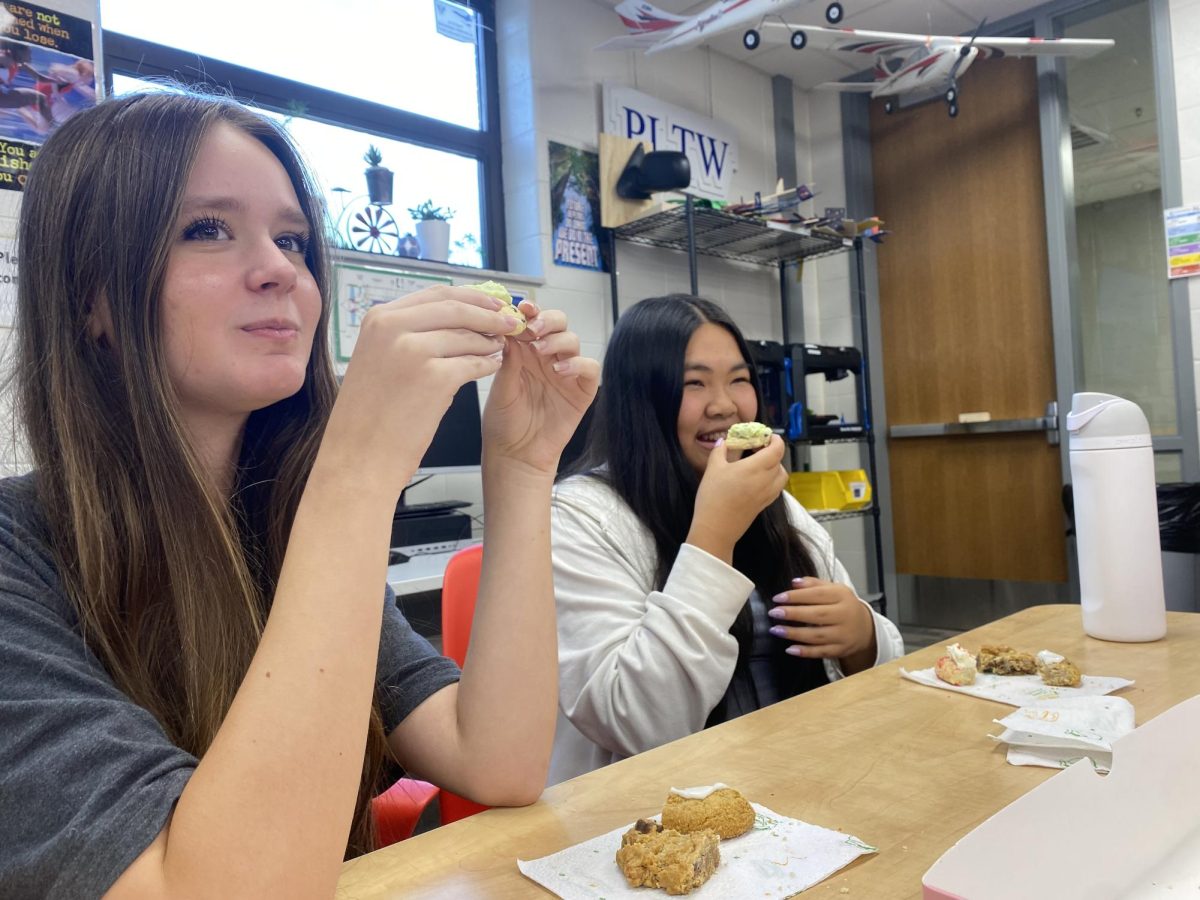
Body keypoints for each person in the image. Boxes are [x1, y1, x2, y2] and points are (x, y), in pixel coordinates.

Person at [0, 89, 599, 898]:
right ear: (94, 300)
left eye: (293, 238)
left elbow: (497, 760)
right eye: (207, 229)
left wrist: (523, 469)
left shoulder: (279, 527)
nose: (281, 268)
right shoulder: (18, 558)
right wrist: (355, 474)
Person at [547, 295, 903, 784]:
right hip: (657, 814)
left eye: (739, 380)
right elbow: (637, 720)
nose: (726, 405)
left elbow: (884, 654)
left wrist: (863, 636)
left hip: (800, 780)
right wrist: (714, 533)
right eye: (694, 383)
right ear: (642, 398)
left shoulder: (773, 499)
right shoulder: (580, 515)